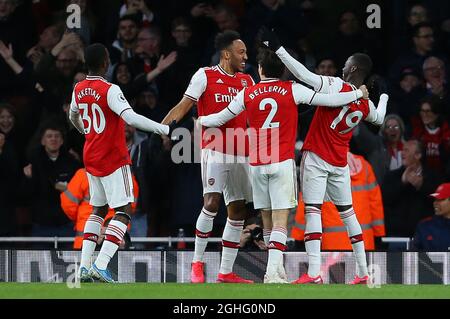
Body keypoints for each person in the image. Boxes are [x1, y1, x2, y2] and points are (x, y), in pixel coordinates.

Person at [198, 48, 369, 283]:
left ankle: (277, 270)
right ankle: (272, 274)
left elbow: (220, 118)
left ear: (260, 70)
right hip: (282, 162)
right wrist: (357, 94)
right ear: (284, 71)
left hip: (256, 165)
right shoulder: (293, 89)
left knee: (267, 219)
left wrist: (200, 121)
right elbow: (330, 100)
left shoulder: (248, 93)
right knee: (280, 221)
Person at [260, 27, 388, 284]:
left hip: (317, 157)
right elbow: (380, 118)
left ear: (352, 70)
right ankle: (363, 273)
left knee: (313, 210)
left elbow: (304, 74)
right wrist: (383, 95)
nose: (341, 69)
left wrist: (279, 49)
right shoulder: (364, 103)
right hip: (340, 162)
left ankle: (314, 272)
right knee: (349, 214)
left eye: (344, 66)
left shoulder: (336, 86)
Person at [69, 43, 175, 283]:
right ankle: (101, 264)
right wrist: (163, 128)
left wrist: (87, 132)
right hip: (112, 157)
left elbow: (72, 116)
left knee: (97, 209)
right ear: (106, 63)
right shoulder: (110, 89)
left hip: (91, 154)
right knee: (125, 210)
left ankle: (84, 267)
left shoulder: (78, 88)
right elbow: (130, 118)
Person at [161, 30, 255, 284]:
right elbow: (184, 105)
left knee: (237, 210)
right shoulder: (205, 75)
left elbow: (253, 117)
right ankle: (197, 263)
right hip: (214, 148)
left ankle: (225, 272)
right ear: (226, 54)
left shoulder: (248, 81)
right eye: (241, 52)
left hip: (242, 151)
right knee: (212, 203)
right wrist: (163, 128)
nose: (245, 56)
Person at [292, 152, 385, 251]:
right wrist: (378, 236)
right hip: (363, 244)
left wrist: (299, 238)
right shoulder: (364, 166)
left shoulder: (317, 167)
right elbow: (375, 204)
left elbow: (307, 207)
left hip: (333, 247)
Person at [60, 167, 139, 249]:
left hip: (86, 238)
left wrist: (79, 219)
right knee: (117, 261)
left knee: (86, 260)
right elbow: (130, 208)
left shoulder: (84, 174)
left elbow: (68, 204)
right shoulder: (126, 176)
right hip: (117, 239)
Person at [412, 183, 450, 251]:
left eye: (441, 199)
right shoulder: (424, 226)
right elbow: (415, 255)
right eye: (435, 199)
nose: (435, 203)